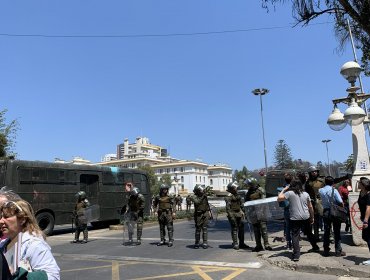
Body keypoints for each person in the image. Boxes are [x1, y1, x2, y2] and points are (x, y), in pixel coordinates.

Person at [0, 200, 60, 279]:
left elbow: (53, 276)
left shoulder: (34, 245)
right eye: (1, 217)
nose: (1, 221)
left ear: (22, 219)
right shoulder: (3, 244)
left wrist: (24, 277)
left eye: (6, 217)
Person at [278, 180, 319, 262]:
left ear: (291, 186)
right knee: (309, 232)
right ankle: (315, 247)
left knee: (295, 235)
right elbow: (310, 207)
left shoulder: (289, 193)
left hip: (295, 218)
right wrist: (312, 217)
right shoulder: (306, 194)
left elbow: (279, 198)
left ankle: (296, 254)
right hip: (305, 217)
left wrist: (284, 189)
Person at [319, 176, 346, 257]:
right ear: (333, 182)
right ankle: (338, 251)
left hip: (326, 211)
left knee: (327, 231)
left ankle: (326, 250)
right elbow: (340, 202)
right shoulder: (334, 190)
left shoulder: (321, 190)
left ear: (325, 182)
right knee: (337, 231)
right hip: (335, 212)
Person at [245, 177, 272, 252]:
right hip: (253, 213)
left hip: (261, 212)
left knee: (263, 229)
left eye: (250, 184)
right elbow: (246, 202)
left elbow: (263, 201)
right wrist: (247, 213)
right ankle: (258, 245)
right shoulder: (249, 191)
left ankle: (266, 244)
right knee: (256, 230)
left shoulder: (260, 190)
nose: (249, 186)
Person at [224, 181, 249, 250]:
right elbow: (228, 208)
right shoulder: (228, 196)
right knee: (234, 228)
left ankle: (242, 243)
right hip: (232, 213)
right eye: (235, 187)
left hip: (239, 213)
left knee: (241, 229)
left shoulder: (237, 194)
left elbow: (241, 205)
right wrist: (231, 217)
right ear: (232, 188)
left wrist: (245, 213)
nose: (236, 188)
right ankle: (235, 243)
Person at [277, 173, 293, 250]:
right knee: (295, 227)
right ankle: (294, 242)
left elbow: (279, 198)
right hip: (295, 209)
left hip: (286, 209)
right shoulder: (294, 187)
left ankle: (288, 243)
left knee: (287, 227)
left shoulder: (283, 188)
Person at [357, 177, 370, 265]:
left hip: (369, 219)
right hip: (365, 218)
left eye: (359, 183)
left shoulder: (369, 194)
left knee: (369, 238)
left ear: (363, 185)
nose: (357, 184)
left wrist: (366, 220)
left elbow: (368, 207)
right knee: (365, 237)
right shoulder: (361, 193)